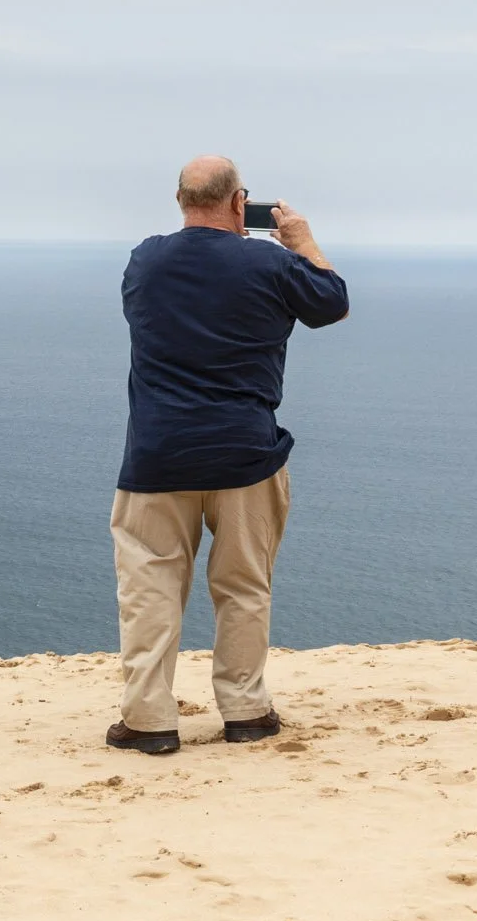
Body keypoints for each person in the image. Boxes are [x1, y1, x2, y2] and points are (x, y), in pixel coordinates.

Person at [107, 155, 349, 756]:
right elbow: (331, 302)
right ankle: (245, 712)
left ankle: (149, 721)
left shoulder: (146, 260)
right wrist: (303, 242)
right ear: (240, 202)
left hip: (158, 455)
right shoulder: (270, 262)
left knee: (150, 588)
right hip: (245, 453)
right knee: (242, 587)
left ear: (179, 199)